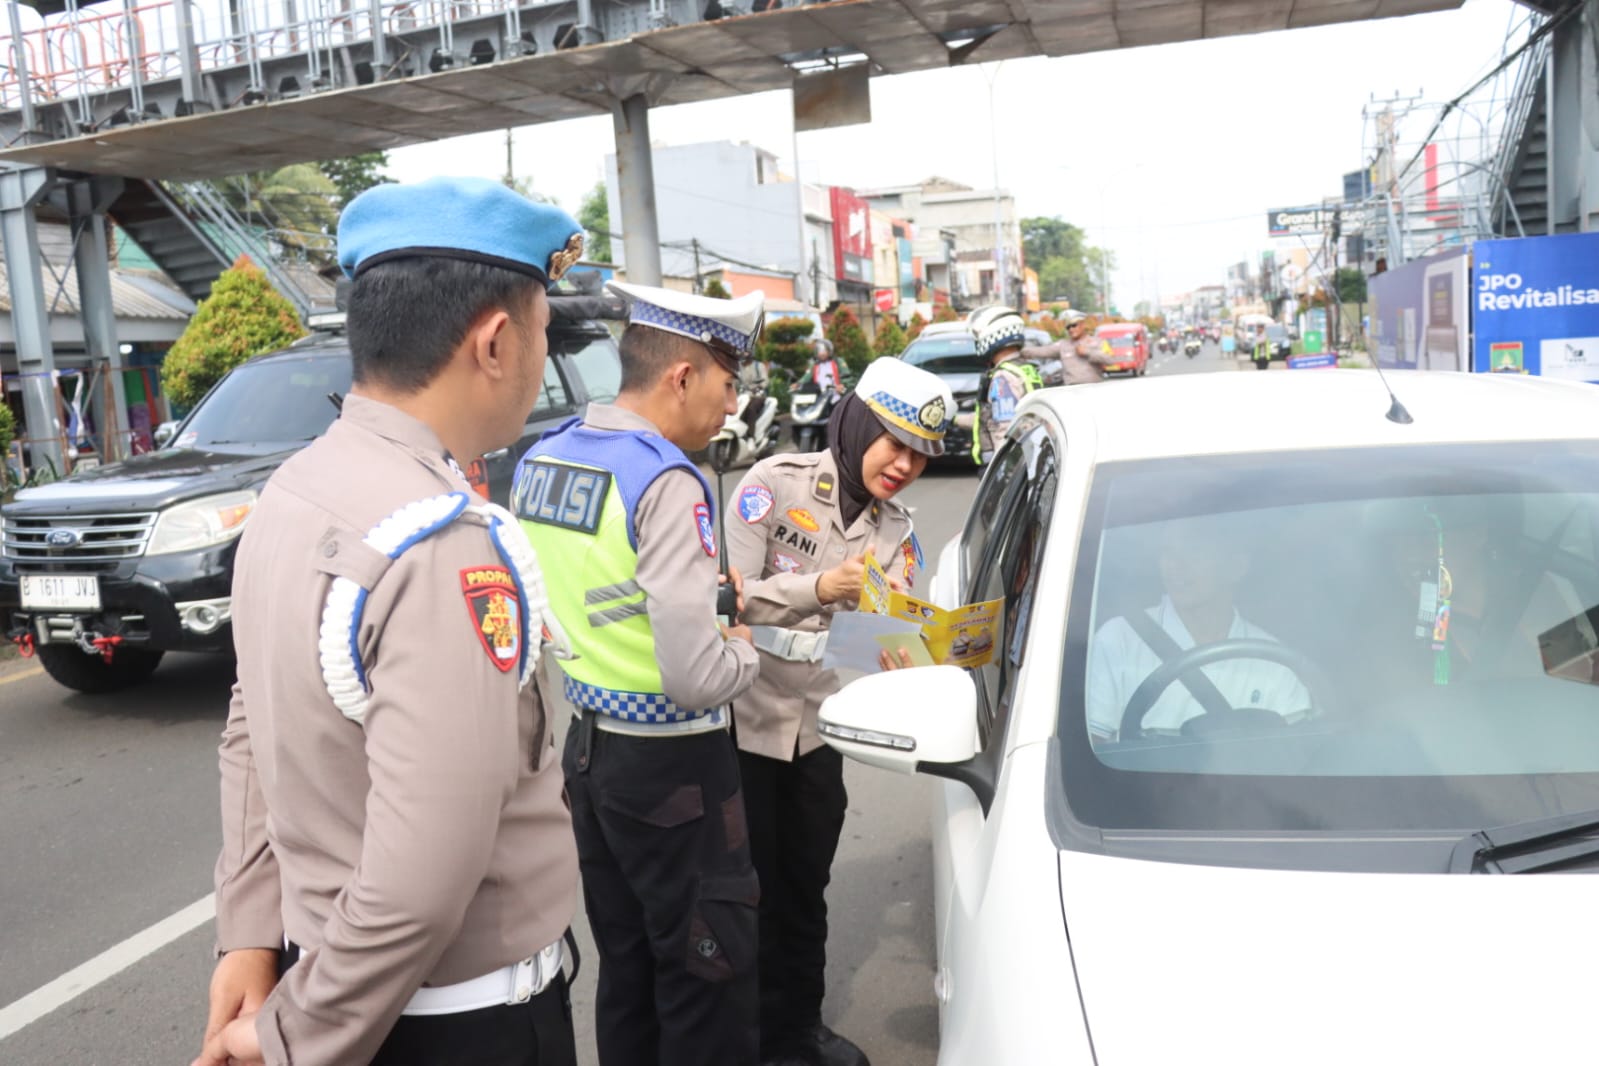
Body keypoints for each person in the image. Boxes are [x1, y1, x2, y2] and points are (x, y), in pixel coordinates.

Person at [194, 177, 584, 1066]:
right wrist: (294, 1035)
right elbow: (423, 877)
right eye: (543, 331)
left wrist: (248, 931)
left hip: (333, 982)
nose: (541, 358)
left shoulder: (293, 491)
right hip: (456, 1022)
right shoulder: (440, 542)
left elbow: (251, 726)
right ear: (495, 342)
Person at [514, 281, 764, 1066]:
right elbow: (696, 676)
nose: (733, 406)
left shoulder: (544, 457)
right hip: (674, 767)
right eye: (728, 384)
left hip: (589, 755)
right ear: (681, 377)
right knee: (704, 972)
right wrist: (744, 647)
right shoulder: (665, 479)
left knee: (627, 969)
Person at [724, 356, 951, 1066]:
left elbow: (880, 634)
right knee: (739, 897)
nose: (905, 465)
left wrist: (917, 650)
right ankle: (741, 1038)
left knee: (805, 890)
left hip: (818, 734)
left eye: (920, 453)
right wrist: (820, 588)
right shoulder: (773, 484)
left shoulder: (897, 529)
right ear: (855, 424)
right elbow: (728, 601)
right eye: (895, 443)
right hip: (742, 724)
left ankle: (797, 1030)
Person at [1087, 517, 1310, 742]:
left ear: (1237, 567)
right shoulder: (1119, 640)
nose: (1175, 566)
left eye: (1194, 551)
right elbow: (1091, 744)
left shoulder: (1274, 660)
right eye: (1167, 552)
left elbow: (1298, 751)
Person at [969, 305, 1043, 464]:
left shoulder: (1003, 376)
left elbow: (1004, 429)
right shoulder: (1025, 368)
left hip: (1011, 462)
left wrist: (1003, 467)